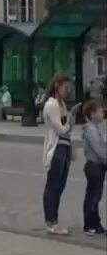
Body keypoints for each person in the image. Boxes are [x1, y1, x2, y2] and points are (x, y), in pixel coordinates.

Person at [41, 74, 79, 235]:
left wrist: (72, 116)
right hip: (56, 149)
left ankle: (54, 220)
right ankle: (51, 221)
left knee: (60, 186)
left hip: (64, 147)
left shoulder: (61, 104)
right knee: (53, 186)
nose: (68, 91)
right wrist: (70, 120)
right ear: (57, 86)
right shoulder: (51, 105)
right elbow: (61, 129)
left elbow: (68, 128)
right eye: (66, 87)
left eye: (69, 88)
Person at [81, 99, 106, 235]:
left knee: (96, 195)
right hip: (94, 165)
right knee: (93, 195)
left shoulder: (96, 128)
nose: (102, 113)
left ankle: (95, 223)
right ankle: (90, 224)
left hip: (98, 165)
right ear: (92, 114)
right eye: (100, 111)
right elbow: (100, 150)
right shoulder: (91, 130)